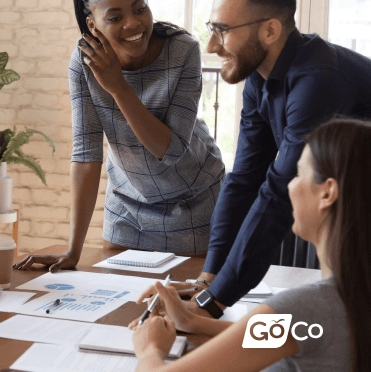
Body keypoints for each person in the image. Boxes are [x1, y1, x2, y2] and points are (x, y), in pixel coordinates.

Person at [16, 0, 224, 272]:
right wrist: (73, 251)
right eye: (114, 17)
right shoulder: (83, 63)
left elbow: (169, 150)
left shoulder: (183, 50)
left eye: (140, 9)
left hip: (194, 202)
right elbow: (86, 156)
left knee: (187, 299)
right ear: (93, 25)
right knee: (117, 298)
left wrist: (118, 86)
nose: (133, 24)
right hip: (128, 207)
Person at [190, 0, 371, 314]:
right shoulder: (259, 77)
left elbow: (277, 192)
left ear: (270, 30)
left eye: (222, 30)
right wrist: (207, 282)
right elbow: (245, 179)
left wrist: (213, 304)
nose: (211, 45)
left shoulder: (317, 79)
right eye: (212, 28)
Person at [130, 117, 371, 372]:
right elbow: (294, 333)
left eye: (299, 174)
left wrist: (149, 350)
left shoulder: (305, 307)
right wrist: (194, 322)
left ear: (327, 193)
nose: (290, 186)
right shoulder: (345, 301)